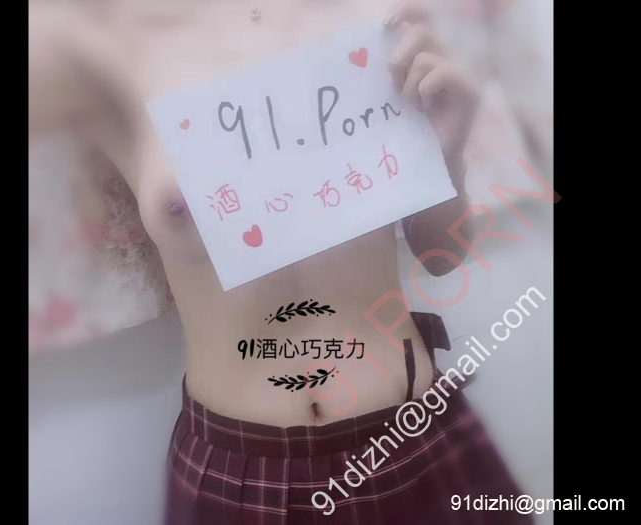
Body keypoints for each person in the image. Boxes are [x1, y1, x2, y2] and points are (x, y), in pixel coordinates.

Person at [29, 1, 531, 523]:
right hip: (237, 469)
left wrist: (447, 149)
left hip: (415, 434)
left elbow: (442, 255)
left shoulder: (367, 17)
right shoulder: (99, 35)